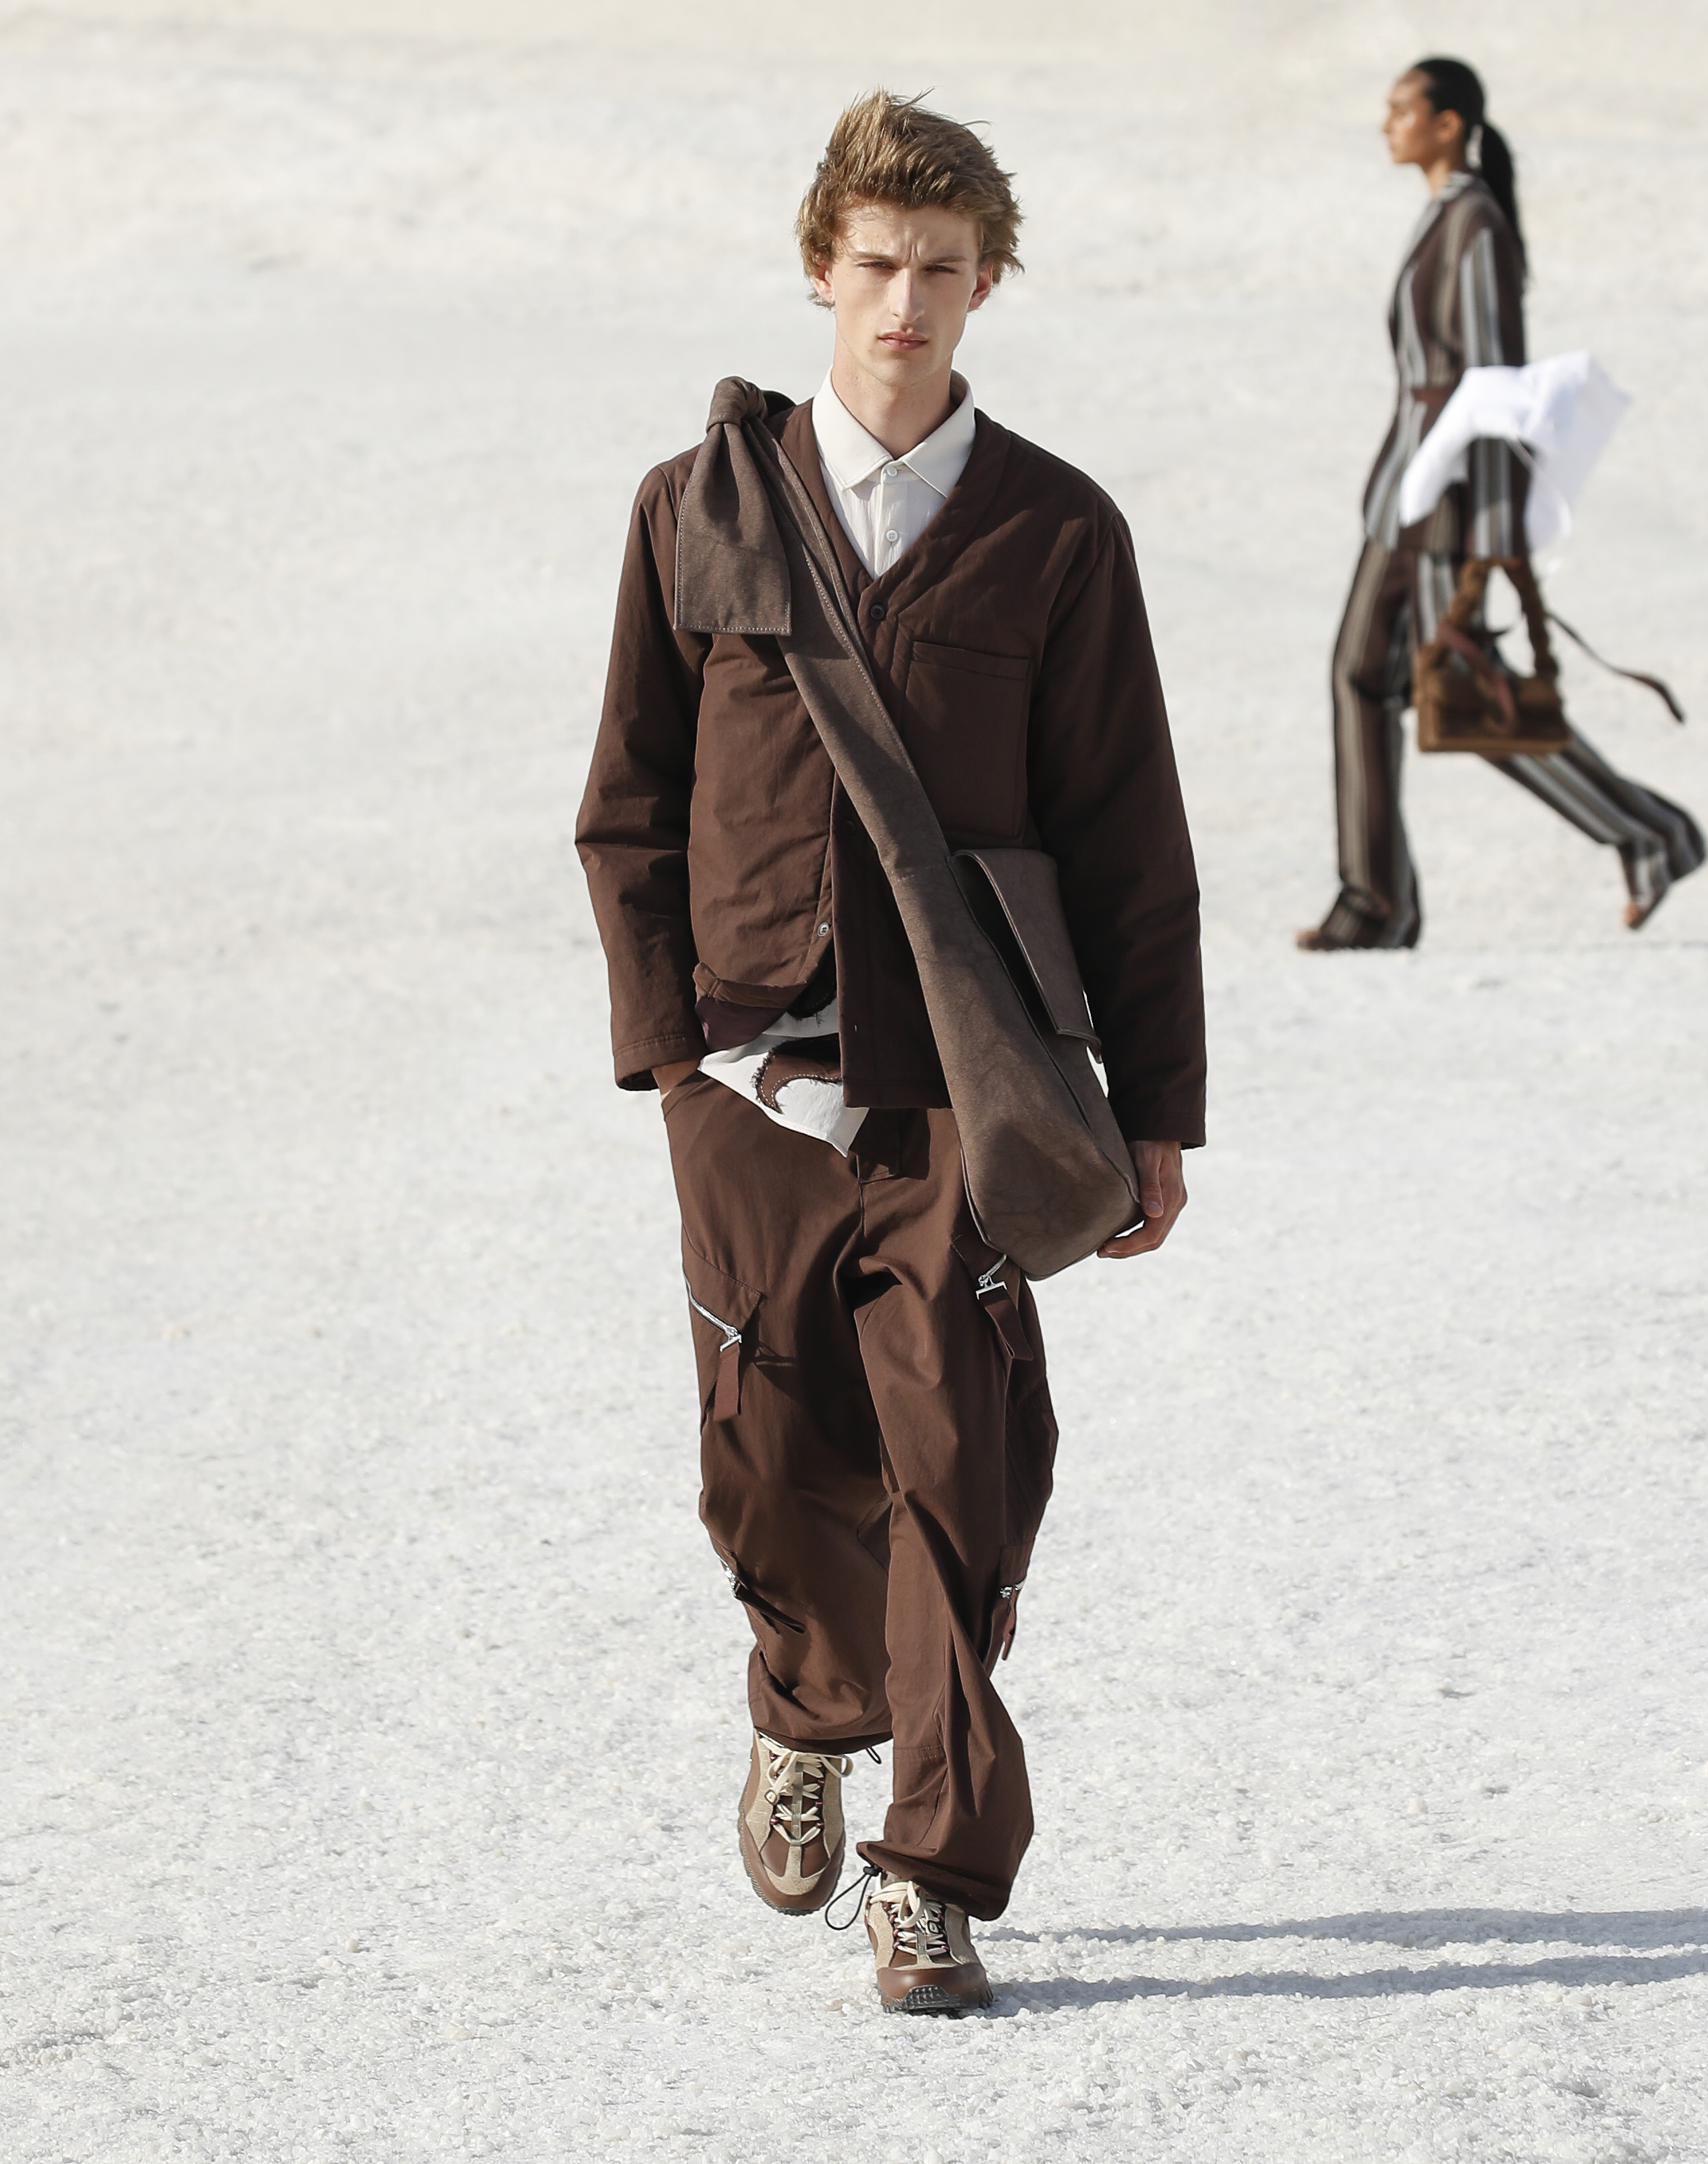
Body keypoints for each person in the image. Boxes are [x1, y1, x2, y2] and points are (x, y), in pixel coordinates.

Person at [576, 91, 1205, 2015]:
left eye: (943, 268)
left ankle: (932, 1868)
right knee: (769, 1461)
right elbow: (629, 807)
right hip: (751, 1088)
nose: (907, 303)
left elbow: (1128, 836)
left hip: (964, 1090)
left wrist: (1158, 1112)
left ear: (988, 282)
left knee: (958, 1468)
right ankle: (808, 1704)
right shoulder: (695, 510)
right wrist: (668, 1064)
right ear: (820, 271)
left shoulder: (1055, 530)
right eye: (877, 266)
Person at [1299, 57, 1705, 951]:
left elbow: (1496, 392)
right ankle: (1378, 901)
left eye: (1401, 109)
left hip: (1445, 503)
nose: (1386, 123)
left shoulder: (1474, 223)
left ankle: (1647, 833)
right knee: (1370, 677)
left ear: (1447, 124)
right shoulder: (1447, 214)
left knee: (1457, 698)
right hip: (1402, 496)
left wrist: (1493, 532)